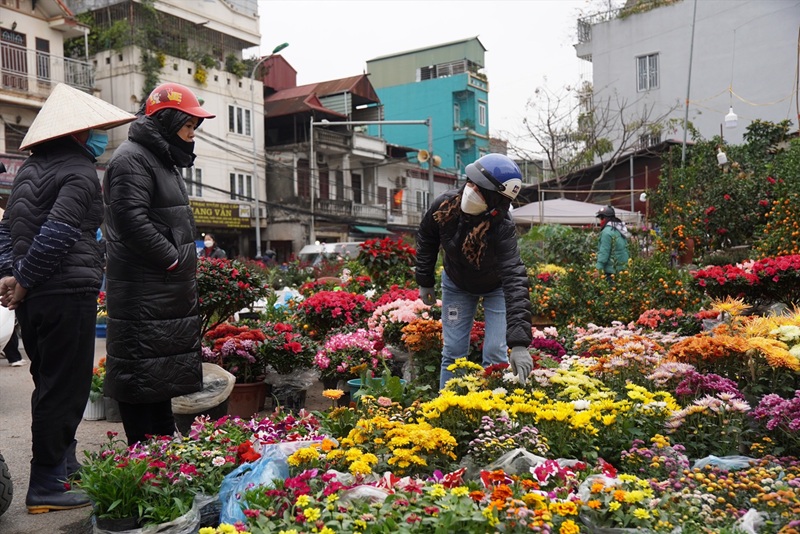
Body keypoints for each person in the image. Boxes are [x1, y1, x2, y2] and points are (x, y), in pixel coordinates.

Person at [0, 83, 135, 513]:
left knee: (50, 385)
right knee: (65, 391)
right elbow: (57, 234)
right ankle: (45, 485)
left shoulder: (27, 172)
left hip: (37, 299)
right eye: (96, 129)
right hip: (65, 292)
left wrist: (11, 274)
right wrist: (22, 279)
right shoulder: (78, 173)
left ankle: (63, 466)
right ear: (79, 133)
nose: (100, 136)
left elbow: (6, 231)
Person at [102, 82, 214, 446]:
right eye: (188, 126)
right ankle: (146, 466)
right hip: (144, 292)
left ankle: (162, 458)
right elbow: (130, 220)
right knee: (141, 380)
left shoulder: (159, 158)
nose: (191, 134)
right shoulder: (131, 158)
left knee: (159, 378)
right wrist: (172, 260)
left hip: (162, 293)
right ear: (168, 121)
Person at [416, 153, 534, 390]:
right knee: (453, 351)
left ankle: (493, 413)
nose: (470, 189)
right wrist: (424, 280)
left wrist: (520, 343)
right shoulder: (444, 206)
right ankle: (448, 407)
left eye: (479, 188)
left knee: (495, 352)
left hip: (496, 287)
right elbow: (427, 239)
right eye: (469, 182)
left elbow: (514, 277)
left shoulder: (502, 227)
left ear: (494, 199)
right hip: (457, 283)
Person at [595, 205, 631, 280]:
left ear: (604, 219)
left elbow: (604, 252)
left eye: (600, 219)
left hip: (611, 271)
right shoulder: (619, 229)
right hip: (623, 269)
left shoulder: (606, 232)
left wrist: (598, 269)